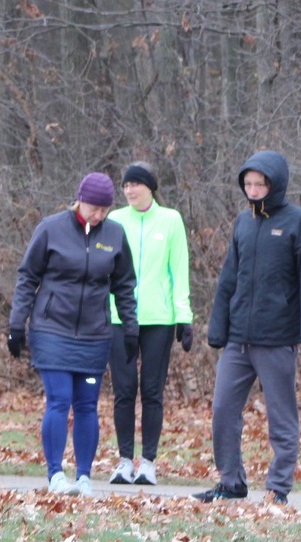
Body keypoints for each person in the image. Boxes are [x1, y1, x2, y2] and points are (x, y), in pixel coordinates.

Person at [193, 150, 301, 505]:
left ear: (275, 184)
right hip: (238, 339)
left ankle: (278, 487)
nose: (253, 190)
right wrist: (218, 326)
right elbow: (228, 279)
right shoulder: (243, 223)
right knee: (222, 409)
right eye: (248, 184)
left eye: (259, 184)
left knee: (281, 417)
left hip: (277, 337)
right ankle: (230, 481)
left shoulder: (299, 221)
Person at [9, 173, 139, 496]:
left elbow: (124, 286)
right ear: (80, 200)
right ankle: (55, 474)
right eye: (94, 208)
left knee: (86, 405)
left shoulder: (114, 234)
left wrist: (131, 328)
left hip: (95, 334)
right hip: (52, 329)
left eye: (104, 210)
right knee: (59, 399)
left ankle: (83, 476)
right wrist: (16, 323)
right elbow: (28, 278)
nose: (99, 215)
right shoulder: (51, 229)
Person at [106, 162, 190, 486]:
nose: (129, 190)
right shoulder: (115, 220)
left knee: (152, 391)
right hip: (119, 318)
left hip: (159, 319)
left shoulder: (170, 220)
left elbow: (179, 269)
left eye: (135, 184)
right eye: (125, 185)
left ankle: (148, 463)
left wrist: (184, 317)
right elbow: (106, 269)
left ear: (150, 187)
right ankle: (125, 460)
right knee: (124, 390)